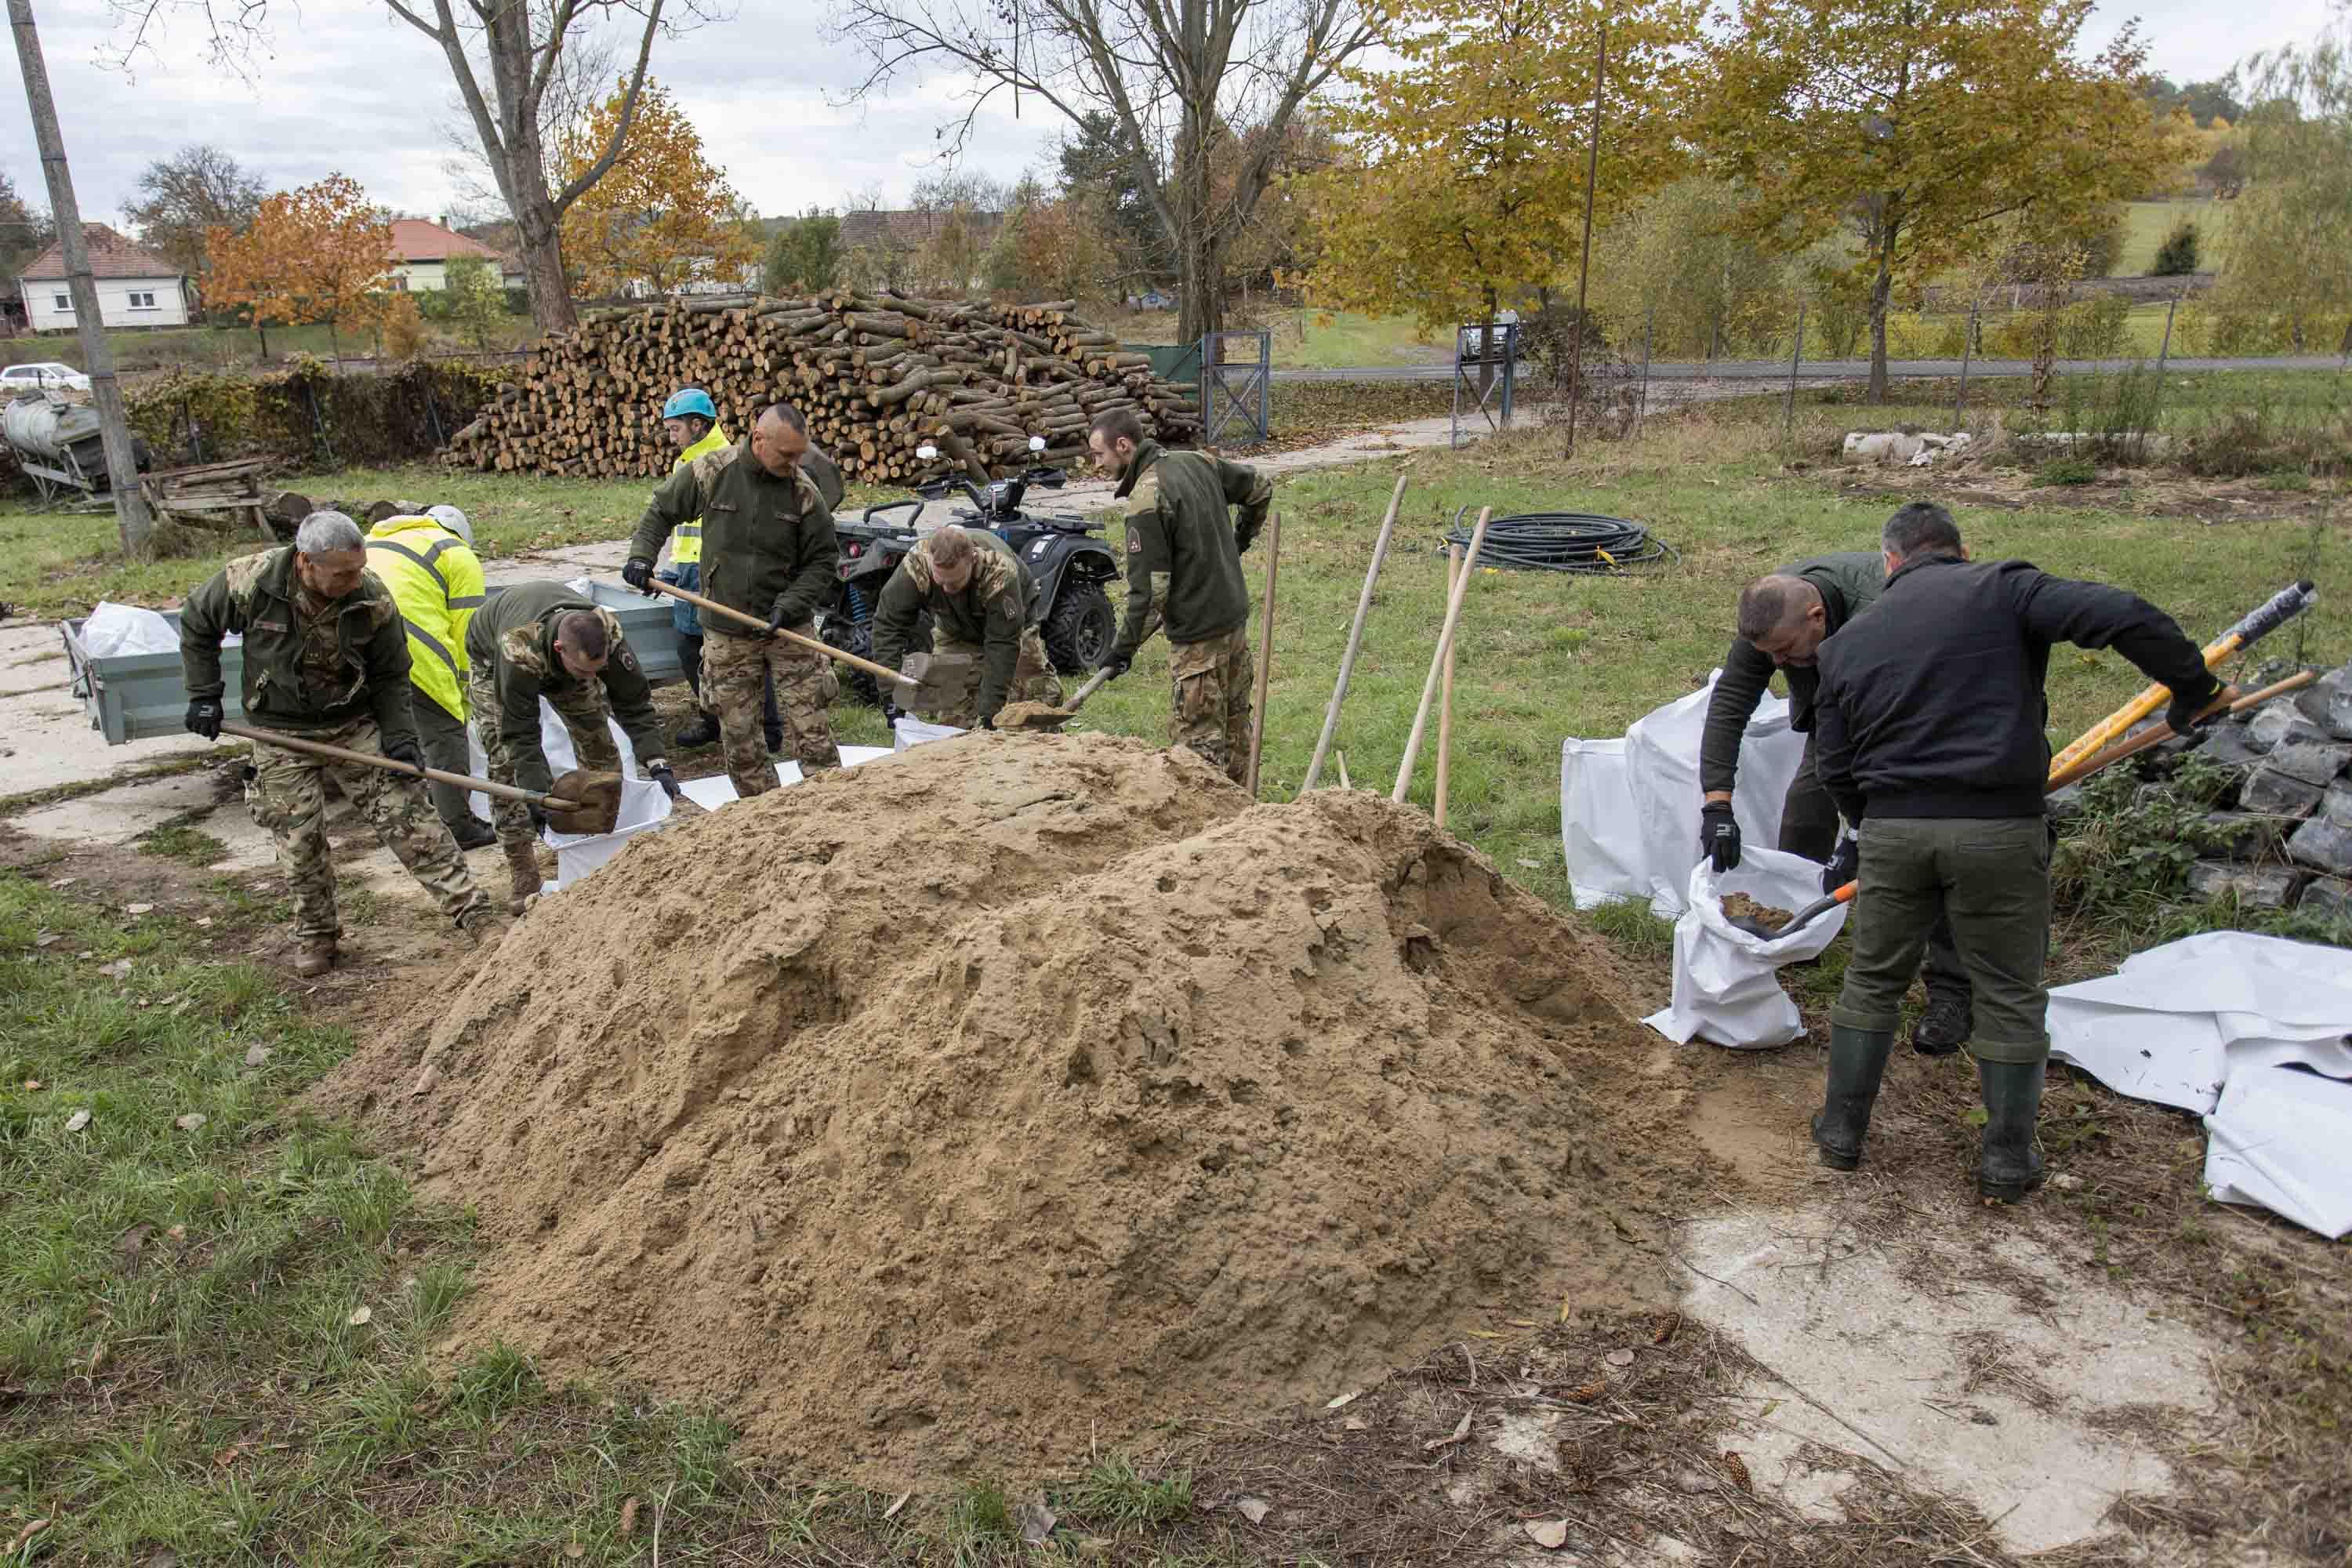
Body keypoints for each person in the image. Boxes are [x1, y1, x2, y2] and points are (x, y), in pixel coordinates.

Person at [1809, 502, 2231, 1201]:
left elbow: (1835, 762)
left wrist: (1875, 824)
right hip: (1999, 827)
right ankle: (2006, 1159)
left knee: (1875, 980)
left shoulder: (1845, 643)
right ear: (1961, 549)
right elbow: (2123, 615)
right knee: (2008, 990)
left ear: (1889, 563)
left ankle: (1841, 1133)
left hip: (1894, 830)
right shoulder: (2005, 589)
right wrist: (2195, 688)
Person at [180, 511, 499, 976]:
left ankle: (476, 914)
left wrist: (400, 736)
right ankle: (317, 935)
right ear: (306, 562)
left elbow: (393, 674)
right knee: (300, 841)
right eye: (342, 574)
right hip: (279, 732)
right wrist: (204, 695)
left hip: (353, 724)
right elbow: (197, 621)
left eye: (358, 569)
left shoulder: (371, 596)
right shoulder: (251, 580)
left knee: (410, 817)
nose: (354, 581)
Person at [1703, 523, 1975, 1055]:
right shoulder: (1774, 618)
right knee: (1806, 807)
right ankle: (1798, 933)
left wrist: (1860, 831)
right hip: (1836, 719)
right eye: (1770, 656)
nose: (1778, 665)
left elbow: (1900, 733)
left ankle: (1951, 991)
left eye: (1786, 652)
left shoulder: (1887, 611)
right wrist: (1718, 804)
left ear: (1818, 618)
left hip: (1923, 725)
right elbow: (1731, 703)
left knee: (1930, 851)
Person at [623, 400, 841, 798]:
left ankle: (827, 805)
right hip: (727, 629)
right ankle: (760, 809)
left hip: (789, 627)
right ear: (759, 439)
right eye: (787, 454)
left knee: (813, 730)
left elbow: (823, 561)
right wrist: (641, 557)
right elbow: (661, 511)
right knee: (740, 737)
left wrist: (791, 604)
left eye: (799, 455)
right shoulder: (712, 471)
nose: (794, 463)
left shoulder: (803, 491)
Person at [466, 581, 680, 912]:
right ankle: (522, 869)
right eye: (583, 671)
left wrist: (658, 763)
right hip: (491, 660)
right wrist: (536, 794)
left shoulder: (609, 636)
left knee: (601, 746)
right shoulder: (518, 649)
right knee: (505, 766)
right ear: (559, 648)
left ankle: (608, 846)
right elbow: (520, 733)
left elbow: (634, 703)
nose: (590, 678)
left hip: (559, 662)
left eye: (598, 671)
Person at [1085, 408, 1272, 783]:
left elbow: (1150, 593)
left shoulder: (1146, 500)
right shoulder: (1198, 462)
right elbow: (1260, 488)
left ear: (1123, 445)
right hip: (1232, 623)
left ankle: (1208, 819)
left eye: (1098, 454)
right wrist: (1240, 538)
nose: (1096, 464)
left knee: (1197, 754)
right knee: (1236, 733)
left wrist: (1121, 650)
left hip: (1197, 643)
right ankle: (1244, 813)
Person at [364, 503, 494, 851]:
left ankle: (405, 816)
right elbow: (469, 632)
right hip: (413, 649)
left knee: (388, 733)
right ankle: (457, 825)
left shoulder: (376, 541)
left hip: (357, 650)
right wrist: (465, 693)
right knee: (444, 734)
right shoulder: (456, 553)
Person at [870, 524, 1063, 728]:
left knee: (1030, 700)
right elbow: (888, 625)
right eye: (940, 582)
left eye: (954, 583)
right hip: (954, 629)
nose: (947, 589)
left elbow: (1002, 644)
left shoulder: (998, 571)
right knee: (954, 716)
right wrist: (891, 696)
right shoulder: (917, 565)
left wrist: (990, 714)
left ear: (973, 560)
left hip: (1013, 626)